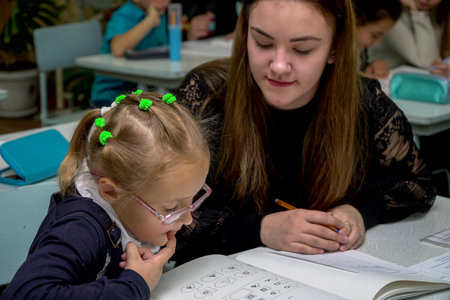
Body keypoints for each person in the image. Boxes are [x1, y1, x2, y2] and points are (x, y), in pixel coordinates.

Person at [172, 0, 437, 265]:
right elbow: (160, 215)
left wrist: (359, 211)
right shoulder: (206, 97)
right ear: (245, 34)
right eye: (262, 43)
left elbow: (417, 184)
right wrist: (261, 229)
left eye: (302, 49)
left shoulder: (363, 102)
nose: (278, 65)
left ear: (335, 47)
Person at [2, 91, 210, 299]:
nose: (188, 218)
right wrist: (135, 285)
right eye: (171, 208)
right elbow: (24, 294)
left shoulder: (135, 208)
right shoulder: (79, 230)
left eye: (193, 198)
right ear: (110, 192)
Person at [91, 0, 171, 107]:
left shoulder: (160, 14)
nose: (165, 2)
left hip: (145, 91)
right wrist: (150, 21)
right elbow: (118, 48)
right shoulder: (123, 15)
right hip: (112, 96)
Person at [368, 0, 450, 78]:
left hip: (414, 80)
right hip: (386, 77)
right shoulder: (391, 9)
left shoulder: (439, 11)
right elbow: (427, 62)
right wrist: (418, 12)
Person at [352, 0, 402, 77]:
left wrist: (369, 67)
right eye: (375, 35)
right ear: (354, 20)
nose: (377, 42)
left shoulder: (358, 51)